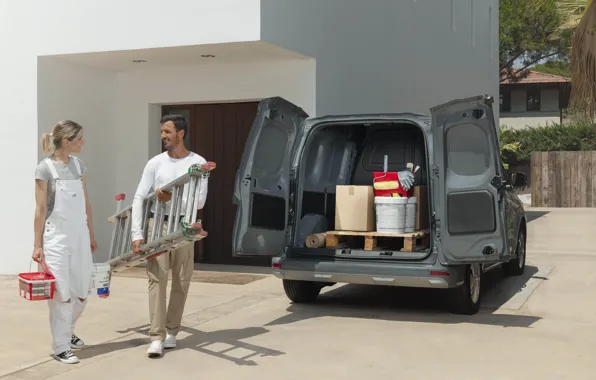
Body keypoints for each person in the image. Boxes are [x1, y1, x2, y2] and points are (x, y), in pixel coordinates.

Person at [131, 114, 208, 358]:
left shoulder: (198, 163)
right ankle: (156, 336)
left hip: (185, 226)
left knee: (181, 279)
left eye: (167, 132)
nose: (163, 136)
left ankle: (172, 331)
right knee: (157, 279)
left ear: (181, 133)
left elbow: (200, 200)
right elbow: (139, 197)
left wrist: (172, 197)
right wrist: (136, 232)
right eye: (162, 132)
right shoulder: (155, 163)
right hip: (159, 226)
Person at [33, 120, 97, 364]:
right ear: (67, 141)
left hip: (79, 236)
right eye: (80, 138)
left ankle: (67, 332)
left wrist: (90, 233)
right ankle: (60, 346)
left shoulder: (79, 166)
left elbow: (86, 202)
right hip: (55, 238)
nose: (83, 143)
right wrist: (37, 245)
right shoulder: (45, 168)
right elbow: (40, 210)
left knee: (81, 293)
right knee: (61, 294)